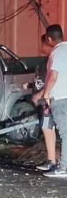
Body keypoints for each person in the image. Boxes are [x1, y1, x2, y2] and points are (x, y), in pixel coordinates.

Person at [37, 24, 67, 177]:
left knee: (65, 132)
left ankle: (63, 168)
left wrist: (46, 94)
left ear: (49, 39)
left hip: (61, 98)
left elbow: (53, 76)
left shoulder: (57, 52)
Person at [30, 34, 57, 171]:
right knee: (48, 129)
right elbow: (40, 82)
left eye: (43, 44)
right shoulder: (46, 62)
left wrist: (39, 95)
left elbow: (49, 81)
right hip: (46, 101)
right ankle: (52, 161)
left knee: (47, 128)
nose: (42, 48)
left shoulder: (51, 62)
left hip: (47, 101)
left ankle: (52, 161)